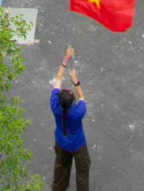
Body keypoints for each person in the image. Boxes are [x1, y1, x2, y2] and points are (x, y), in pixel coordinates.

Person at [49, 47, 92, 191]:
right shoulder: (78, 112)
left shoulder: (55, 105)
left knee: (60, 169)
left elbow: (58, 79)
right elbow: (82, 97)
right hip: (78, 145)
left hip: (61, 142)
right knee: (82, 172)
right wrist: (76, 81)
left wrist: (65, 59)